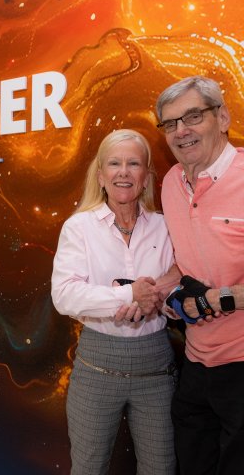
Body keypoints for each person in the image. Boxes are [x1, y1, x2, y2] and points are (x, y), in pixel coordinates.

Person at [51, 128, 179, 475]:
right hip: (95, 369)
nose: (124, 171)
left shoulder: (166, 227)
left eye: (133, 163)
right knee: (89, 467)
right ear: (101, 175)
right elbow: (64, 295)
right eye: (115, 163)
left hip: (156, 368)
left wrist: (162, 300)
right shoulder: (79, 227)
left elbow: (177, 285)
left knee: (161, 468)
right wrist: (127, 295)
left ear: (146, 176)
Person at [156, 75, 244, 475]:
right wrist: (169, 289)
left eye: (193, 116)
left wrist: (216, 299)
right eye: (170, 123)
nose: (181, 131)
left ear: (222, 117)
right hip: (195, 364)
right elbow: (185, 257)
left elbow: (217, 292)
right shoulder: (172, 182)